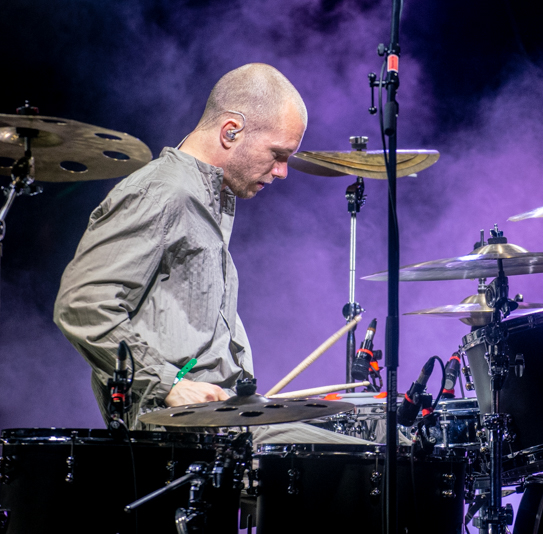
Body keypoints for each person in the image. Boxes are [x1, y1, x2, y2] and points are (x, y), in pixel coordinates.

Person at [54, 64, 363, 443]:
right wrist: (169, 384)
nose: (283, 171)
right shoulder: (163, 192)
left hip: (219, 420)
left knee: (378, 446)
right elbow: (82, 303)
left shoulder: (205, 197)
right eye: (278, 154)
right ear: (231, 131)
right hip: (180, 430)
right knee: (378, 471)